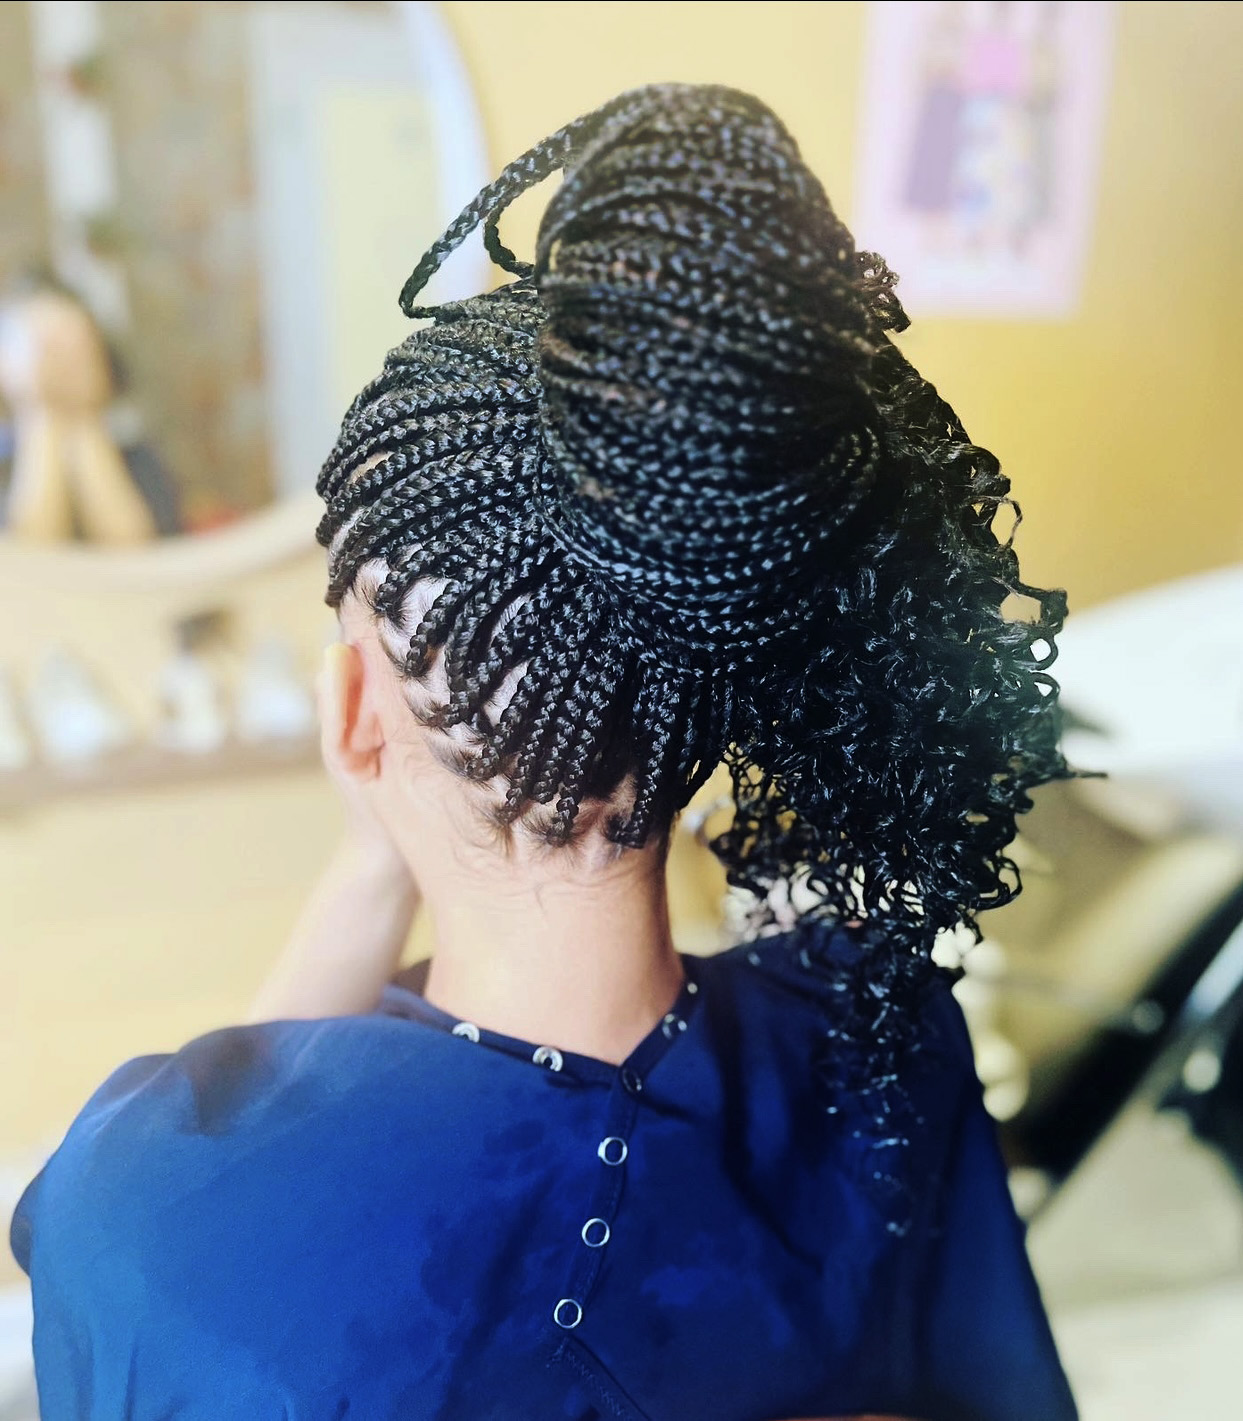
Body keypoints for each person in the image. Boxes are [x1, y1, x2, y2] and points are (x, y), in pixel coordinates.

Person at [10, 84, 1078, 1421]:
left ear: (355, 718)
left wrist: (367, 867)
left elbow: (204, 1159)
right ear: (713, 694)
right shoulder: (881, 1038)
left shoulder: (148, 1216)